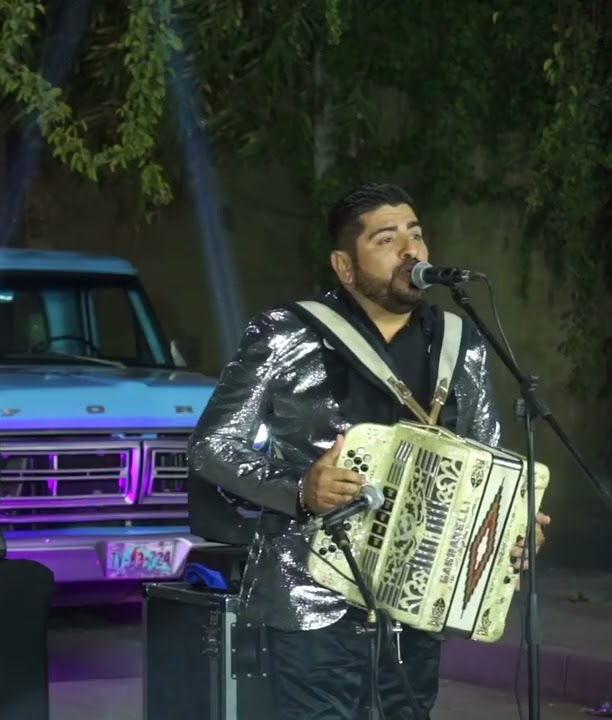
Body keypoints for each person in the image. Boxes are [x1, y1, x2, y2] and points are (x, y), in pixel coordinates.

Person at [187, 183, 551, 719]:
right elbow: (211, 447)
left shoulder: (459, 340)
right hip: (312, 596)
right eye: (386, 239)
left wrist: (512, 529)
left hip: (418, 599)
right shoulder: (288, 332)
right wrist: (300, 490)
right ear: (345, 265)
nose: (411, 250)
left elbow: (488, 458)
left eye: (416, 234)